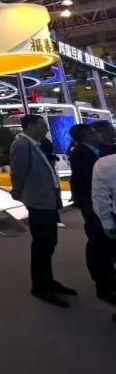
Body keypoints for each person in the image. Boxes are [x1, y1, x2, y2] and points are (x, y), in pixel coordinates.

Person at [10, 114, 76, 307]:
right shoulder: (22, 145)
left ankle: (48, 281)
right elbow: (18, 173)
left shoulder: (35, 144)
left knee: (49, 242)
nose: (46, 129)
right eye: (42, 125)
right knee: (42, 245)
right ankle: (40, 286)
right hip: (38, 202)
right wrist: (20, 194)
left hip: (46, 200)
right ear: (30, 127)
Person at [68, 124, 116, 304]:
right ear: (87, 135)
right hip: (94, 206)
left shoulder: (102, 151)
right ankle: (103, 286)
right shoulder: (80, 154)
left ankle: (109, 277)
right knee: (98, 244)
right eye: (95, 132)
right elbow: (82, 184)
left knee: (107, 245)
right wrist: (88, 208)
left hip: (105, 205)